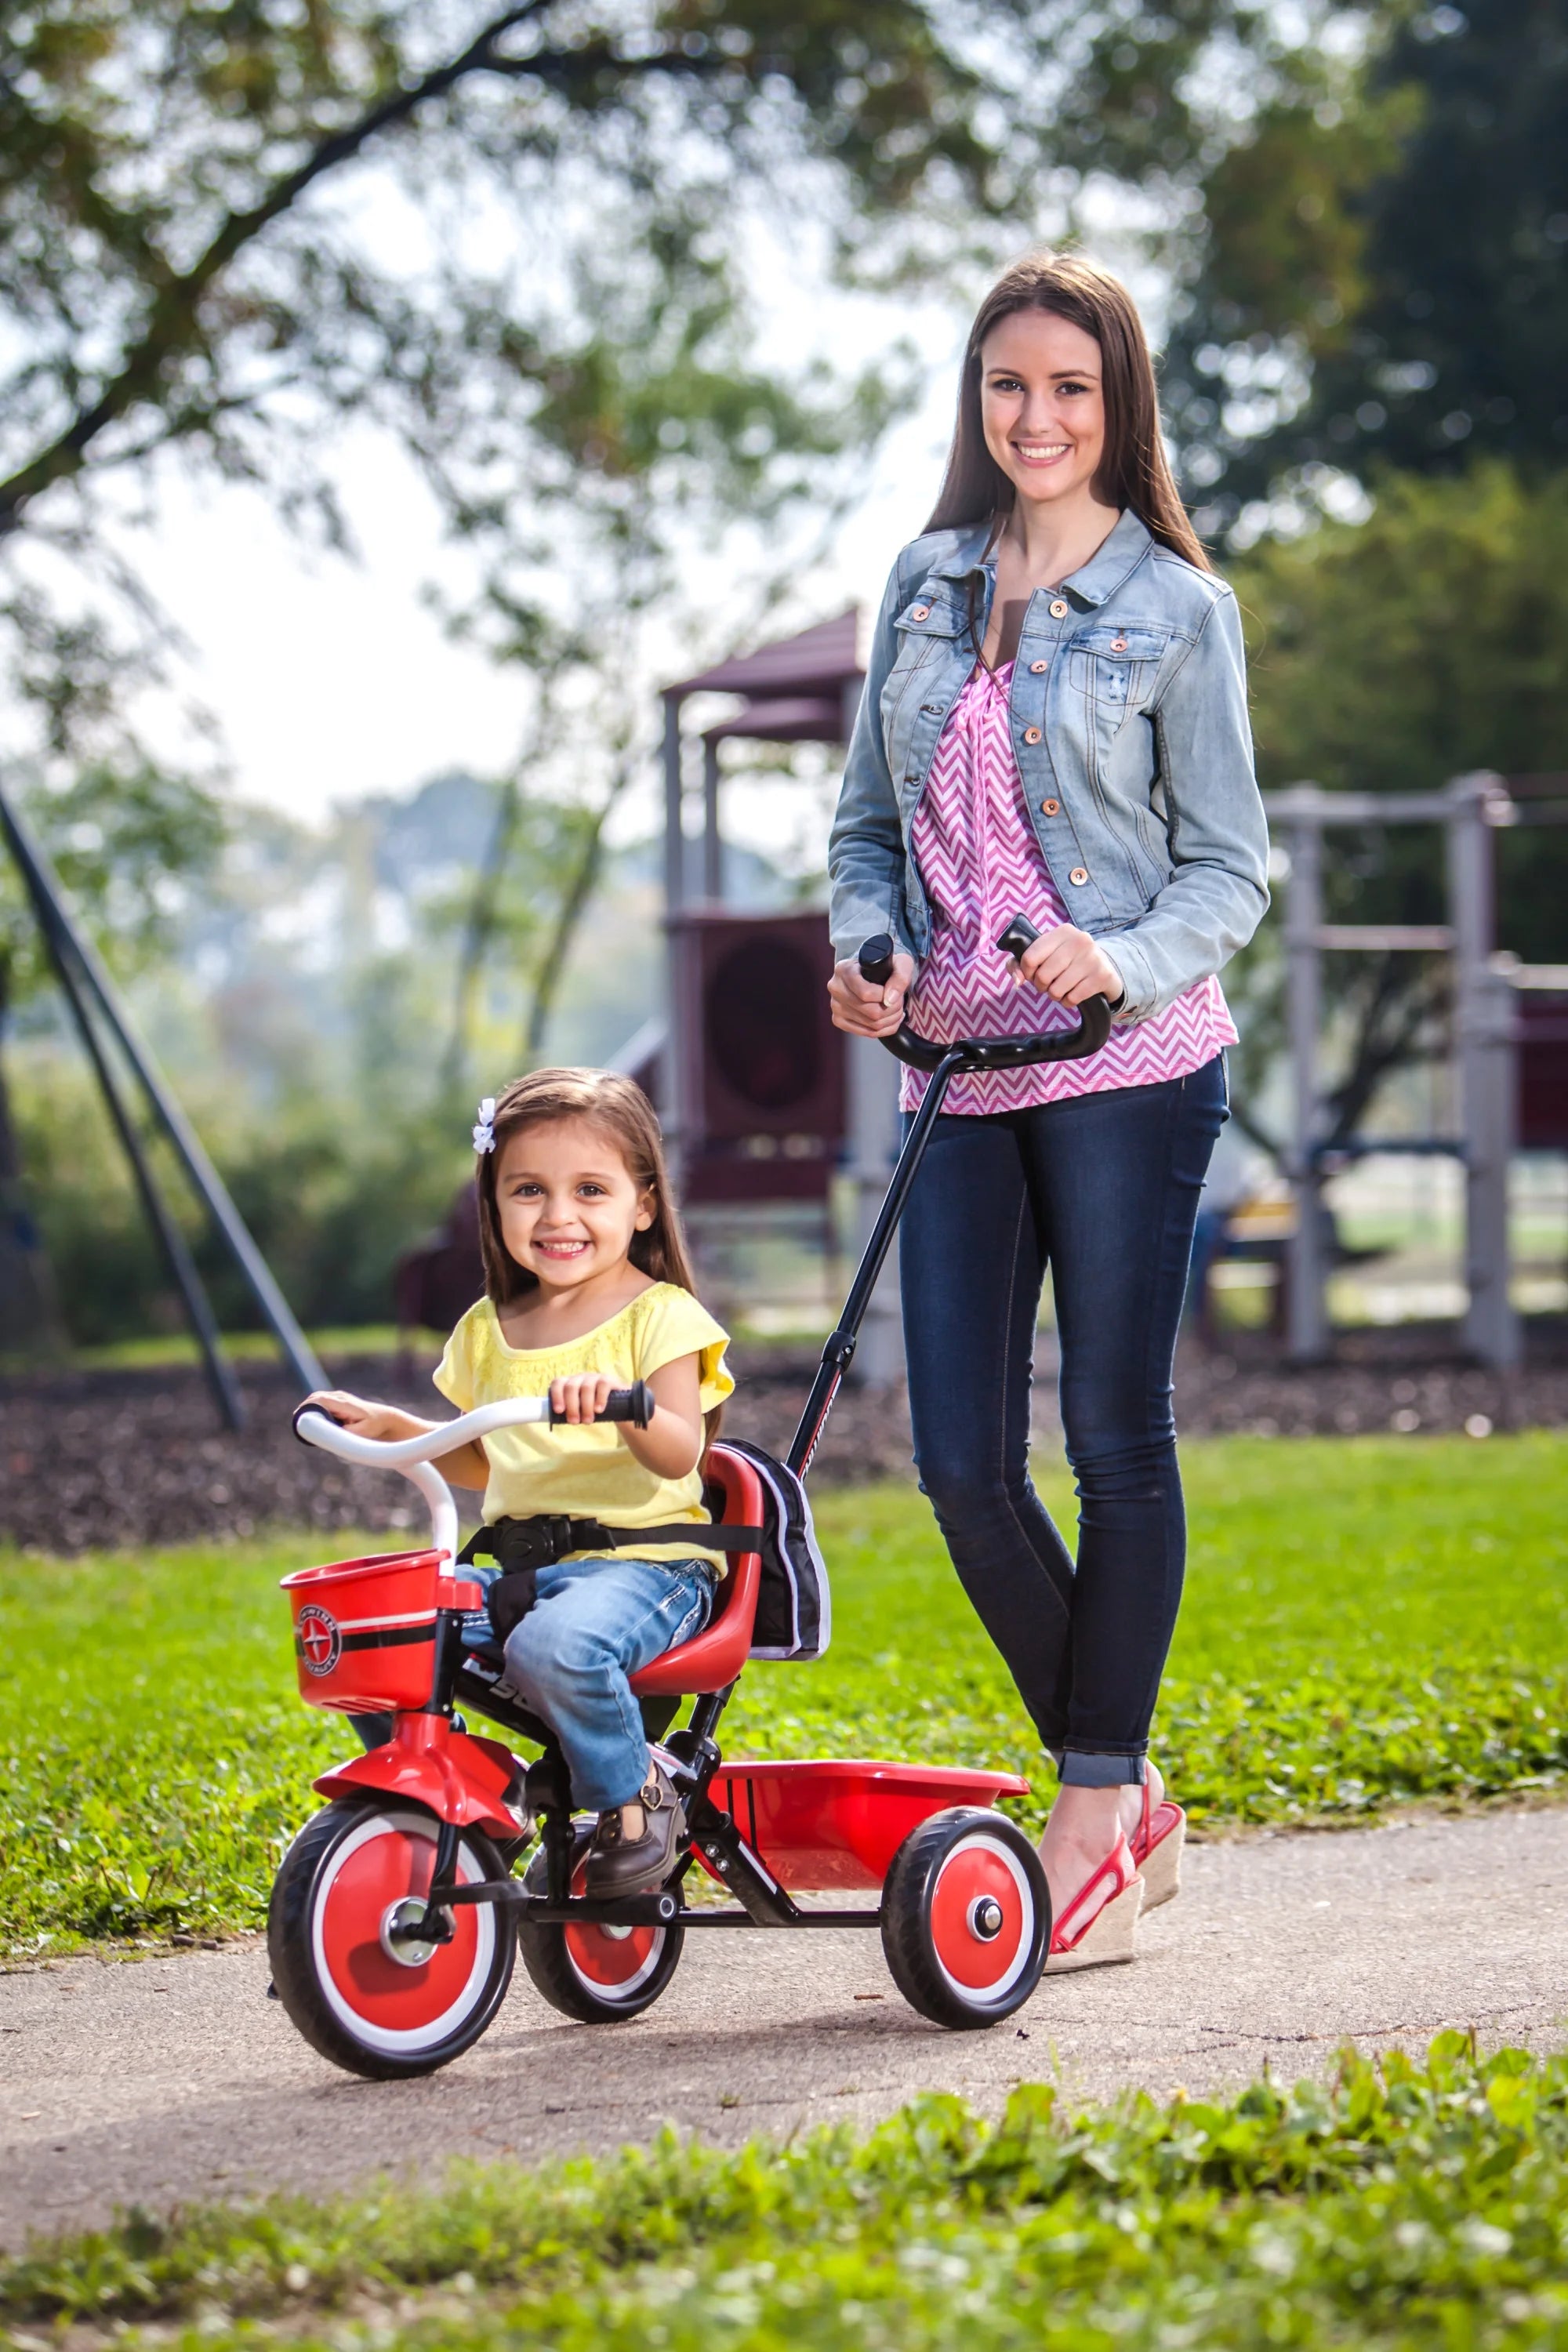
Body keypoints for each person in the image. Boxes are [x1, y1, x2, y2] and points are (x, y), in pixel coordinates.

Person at [827, 252, 1269, 1969]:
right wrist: (864, 950)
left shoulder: (1178, 610)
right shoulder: (924, 585)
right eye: (1008, 384)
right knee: (954, 1460)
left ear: (1117, 405)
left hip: (1126, 1063)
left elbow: (1231, 869)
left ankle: (1090, 1801)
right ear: (976, 400)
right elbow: (870, 821)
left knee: (1110, 1436)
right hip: (952, 1064)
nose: (1036, 416)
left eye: (1070, 388)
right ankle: (1130, 1775)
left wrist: (1116, 954)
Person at [304, 1068, 733, 1897]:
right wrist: (399, 1430)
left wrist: (619, 1408)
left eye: (590, 1190)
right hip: (518, 1569)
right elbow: (481, 1458)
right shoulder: (487, 1328)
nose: (558, 1216)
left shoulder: (661, 1316)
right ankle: (470, 1791)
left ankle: (638, 1802)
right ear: (493, 1203)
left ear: (641, 1204)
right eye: (528, 1190)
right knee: (370, 1632)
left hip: (646, 1567)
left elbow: (679, 1452)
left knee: (554, 1646)